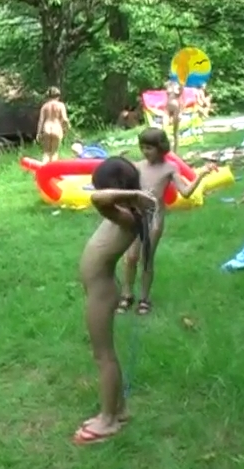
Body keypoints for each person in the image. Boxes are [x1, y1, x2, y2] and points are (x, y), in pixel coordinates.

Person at [74, 156, 157, 445]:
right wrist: (132, 193)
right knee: (103, 354)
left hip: (102, 292)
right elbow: (101, 196)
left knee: (104, 356)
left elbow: (97, 199)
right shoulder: (122, 211)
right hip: (99, 289)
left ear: (115, 187)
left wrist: (132, 194)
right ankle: (118, 410)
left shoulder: (128, 218)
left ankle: (108, 420)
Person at [117, 128, 214, 315]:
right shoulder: (138, 166)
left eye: (149, 148)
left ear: (161, 148)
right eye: (143, 147)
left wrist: (201, 174)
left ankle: (144, 298)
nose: (145, 152)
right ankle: (126, 294)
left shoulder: (170, 168)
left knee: (146, 258)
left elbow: (185, 192)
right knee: (130, 258)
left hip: (154, 218)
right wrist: (120, 163)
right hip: (137, 216)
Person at [36, 86, 71, 163]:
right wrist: (68, 127)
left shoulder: (45, 106)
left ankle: (44, 168)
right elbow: (64, 119)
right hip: (56, 128)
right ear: (58, 96)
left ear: (48, 96)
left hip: (47, 128)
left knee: (46, 153)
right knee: (54, 153)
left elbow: (41, 120)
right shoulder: (61, 105)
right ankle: (53, 170)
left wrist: (38, 133)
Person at [163, 80, 182, 153]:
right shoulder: (169, 85)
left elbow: (181, 98)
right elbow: (165, 84)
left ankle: (175, 151)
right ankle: (167, 149)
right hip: (167, 108)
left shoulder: (178, 87)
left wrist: (180, 113)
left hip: (176, 108)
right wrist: (170, 84)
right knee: (164, 129)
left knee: (175, 131)